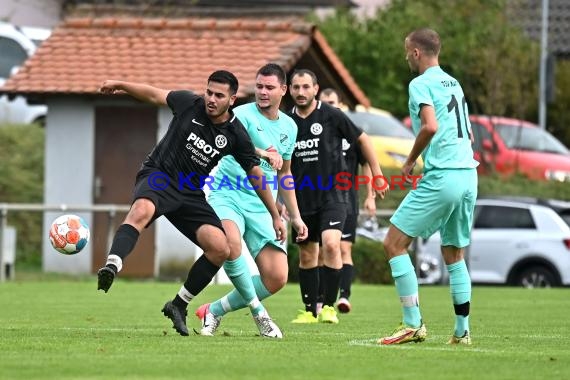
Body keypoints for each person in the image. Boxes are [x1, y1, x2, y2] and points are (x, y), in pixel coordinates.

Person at [96, 70, 287, 337]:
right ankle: (113, 265)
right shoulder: (188, 103)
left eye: (219, 95)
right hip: (159, 176)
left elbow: (256, 175)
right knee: (142, 209)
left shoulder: (235, 133)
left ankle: (179, 304)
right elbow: (153, 93)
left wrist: (275, 215)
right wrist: (120, 84)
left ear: (231, 100)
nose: (211, 98)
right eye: (209, 92)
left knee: (220, 248)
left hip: (189, 193)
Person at [378, 28, 478, 345]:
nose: (407, 56)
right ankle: (462, 332)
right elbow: (470, 135)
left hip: (445, 175)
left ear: (417, 52)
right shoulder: (454, 83)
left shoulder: (420, 84)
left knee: (393, 243)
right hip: (468, 175)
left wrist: (409, 161)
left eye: (408, 51)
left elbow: (430, 126)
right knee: (454, 254)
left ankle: (412, 324)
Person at [193, 63, 308, 338]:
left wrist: (295, 215)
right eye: (259, 86)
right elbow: (234, 144)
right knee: (230, 244)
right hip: (227, 192)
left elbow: (285, 173)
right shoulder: (239, 115)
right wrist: (262, 153)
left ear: (283, 90)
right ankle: (260, 314)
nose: (263, 92)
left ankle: (215, 310)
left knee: (277, 277)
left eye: (269, 87)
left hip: (262, 202)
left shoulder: (290, 127)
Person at [288, 69, 387, 324]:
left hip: (335, 195)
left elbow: (363, 140)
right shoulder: (286, 122)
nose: (301, 92)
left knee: (332, 244)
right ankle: (310, 311)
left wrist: (377, 175)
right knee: (308, 255)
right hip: (302, 198)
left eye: (305, 87)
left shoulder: (332, 115)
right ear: (289, 90)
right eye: (296, 87)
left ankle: (329, 306)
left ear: (315, 89)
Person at [316, 88, 376, 314]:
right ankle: (321, 299)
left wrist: (370, 196)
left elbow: (366, 163)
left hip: (347, 199)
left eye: (333, 102)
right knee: (323, 250)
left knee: (343, 248)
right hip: (321, 199)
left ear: (340, 103)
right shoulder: (317, 131)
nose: (329, 106)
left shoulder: (351, 132)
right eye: (325, 102)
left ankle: (344, 296)